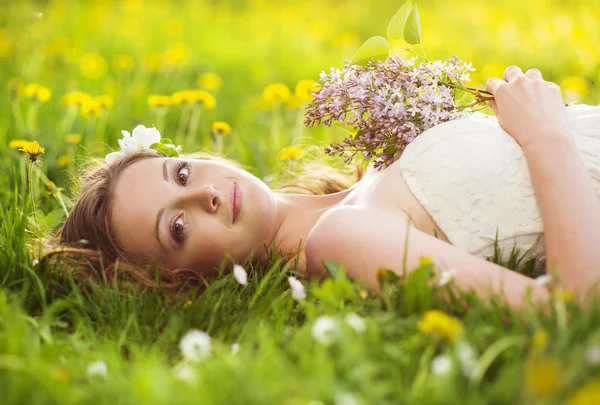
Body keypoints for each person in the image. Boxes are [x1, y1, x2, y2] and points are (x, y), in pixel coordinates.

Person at [47, 66, 600, 307]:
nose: (203, 195)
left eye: (182, 174)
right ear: (182, 281)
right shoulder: (341, 240)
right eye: (178, 226)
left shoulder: (370, 177)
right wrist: (544, 134)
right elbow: (569, 306)